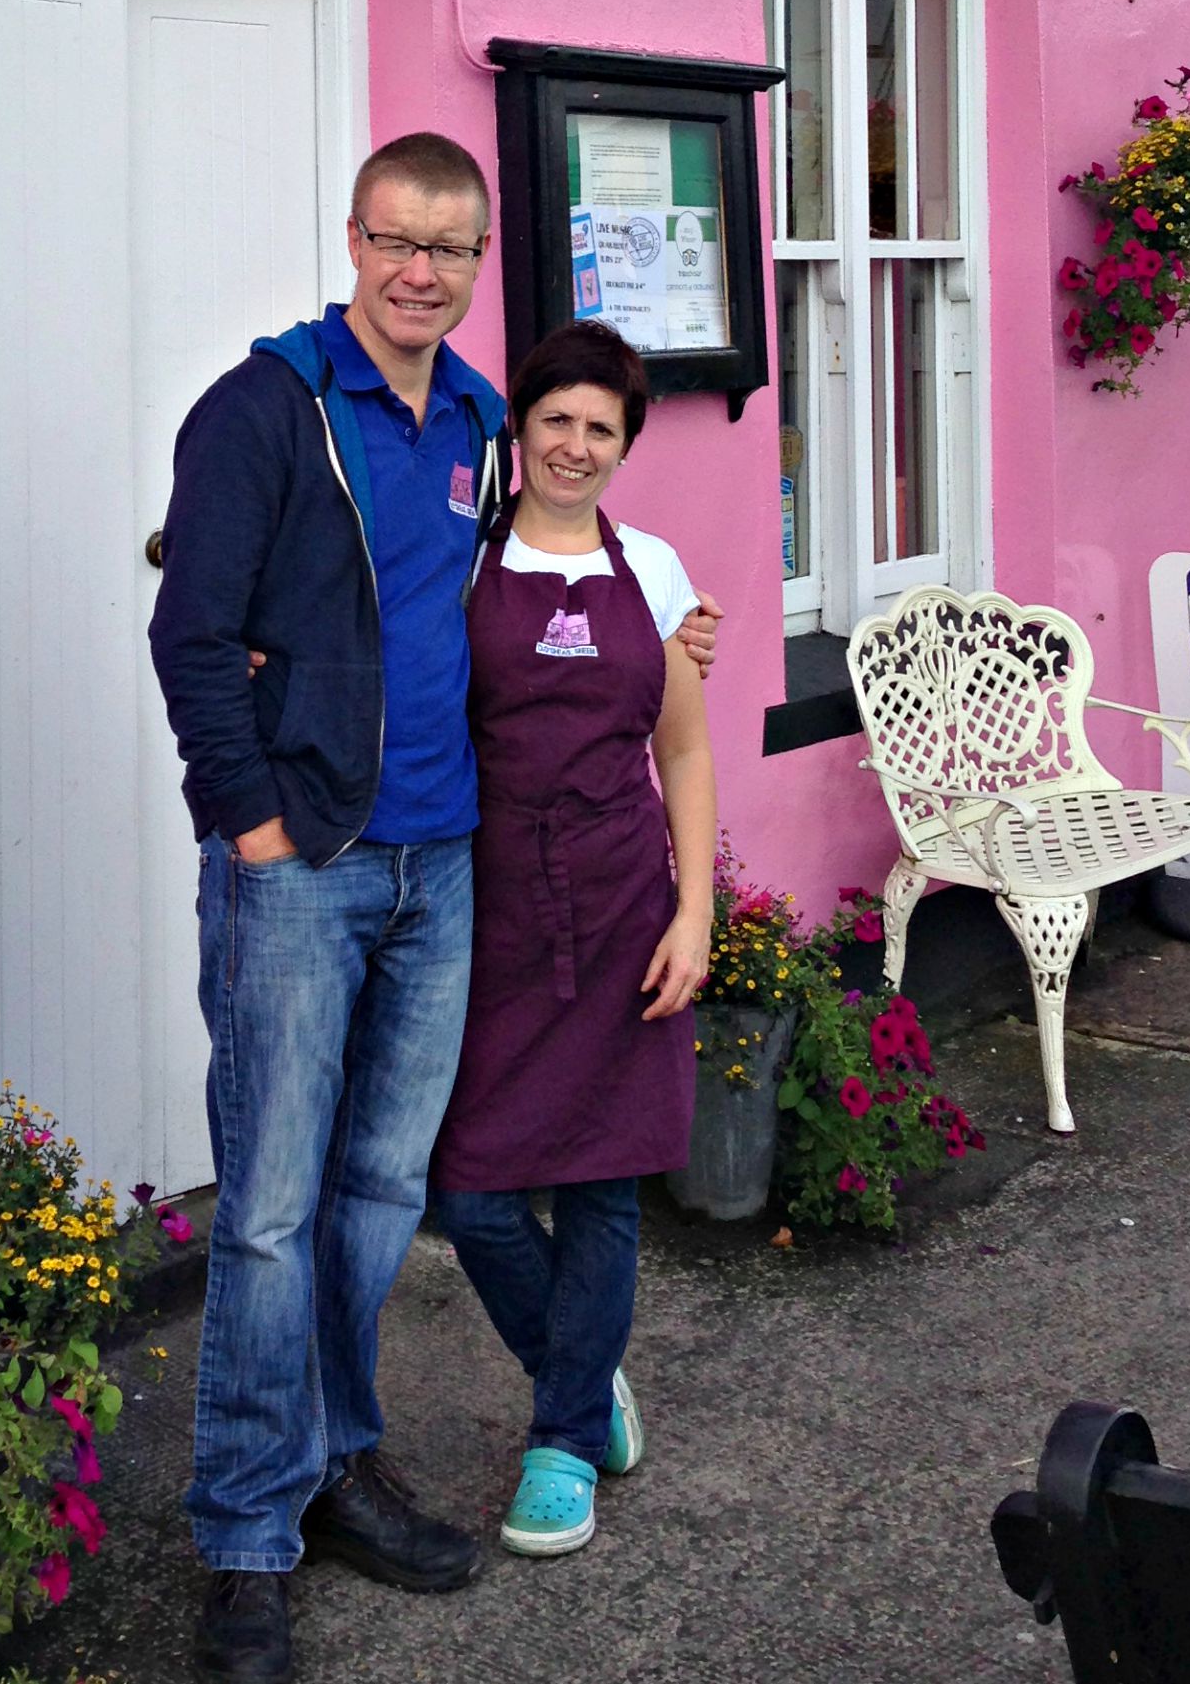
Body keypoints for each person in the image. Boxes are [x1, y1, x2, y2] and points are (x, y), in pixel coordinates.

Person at [147, 137, 718, 1684]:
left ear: (479, 265)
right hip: (307, 867)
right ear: (353, 239)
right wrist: (256, 826)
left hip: (444, 866)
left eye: (451, 249)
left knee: (380, 1200)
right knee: (266, 1213)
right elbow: (190, 632)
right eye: (397, 241)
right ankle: (248, 1537)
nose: (422, 271)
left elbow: (554, 576)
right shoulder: (266, 409)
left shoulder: (476, 422)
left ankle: (338, 1466)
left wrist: (675, 614)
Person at [429, 318, 717, 1561]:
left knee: (603, 1183)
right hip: (488, 912)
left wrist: (695, 910)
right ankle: (585, 1378)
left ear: (624, 445)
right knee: (473, 1195)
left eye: (602, 428)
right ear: (523, 427)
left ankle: (558, 1445)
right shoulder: (461, 559)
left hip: (618, 907)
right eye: (558, 419)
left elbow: (687, 750)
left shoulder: (651, 572)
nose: (577, 445)